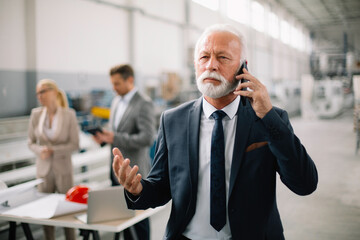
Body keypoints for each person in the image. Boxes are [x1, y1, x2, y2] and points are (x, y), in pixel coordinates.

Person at [112, 24, 318, 240]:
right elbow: (162, 187)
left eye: (222, 57)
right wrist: (138, 190)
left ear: (243, 67)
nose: (211, 65)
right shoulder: (173, 120)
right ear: (195, 65)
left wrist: (268, 116)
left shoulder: (266, 119)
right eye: (204, 57)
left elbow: (305, 184)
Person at [93, 64, 155, 240]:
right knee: (122, 220)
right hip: (116, 173)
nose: (113, 88)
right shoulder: (115, 102)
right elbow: (115, 133)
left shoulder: (144, 103)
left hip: (135, 172)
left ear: (130, 80)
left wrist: (115, 137)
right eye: (112, 83)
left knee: (139, 224)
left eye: (117, 83)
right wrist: (104, 138)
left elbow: (147, 138)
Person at [28, 79, 79, 240]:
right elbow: (30, 142)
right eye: (37, 93)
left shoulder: (68, 114)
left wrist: (53, 150)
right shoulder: (36, 114)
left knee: (68, 211)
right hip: (43, 170)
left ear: (54, 92)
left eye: (42, 91)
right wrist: (39, 150)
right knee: (45, 213)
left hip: (63, 169)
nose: (39, 96)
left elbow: (75, 144)